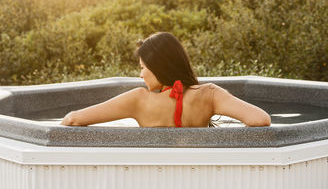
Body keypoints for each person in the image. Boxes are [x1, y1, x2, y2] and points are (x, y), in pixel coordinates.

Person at [61, 32, 271, 127]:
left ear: (158, 68)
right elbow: (260, 119)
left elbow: (72, 119)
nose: (141, 74)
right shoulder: (210, 94)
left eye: (143, 67)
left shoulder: (139, 100)